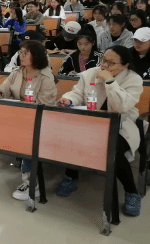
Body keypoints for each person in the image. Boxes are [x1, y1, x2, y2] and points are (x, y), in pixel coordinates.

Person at [57, 46, 143, 216]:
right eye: (104, 60)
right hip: (92, 121)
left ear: (124, 65)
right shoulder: (91, 73)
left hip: (121, 124)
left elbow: (121, 107)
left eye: (111, 63)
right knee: (71, 137)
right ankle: (71, 176)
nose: (104, 66)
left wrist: (110, 81)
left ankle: (132, 192)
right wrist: (68, 99)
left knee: (113, 148)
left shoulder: (134, 80)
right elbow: (78, 93)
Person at [0, 40, 57, 201]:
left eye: (26, 53)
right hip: (18, 116)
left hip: (40, 121)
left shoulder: (46, 77)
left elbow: (45, 106)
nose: (21, 56)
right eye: (20, 52)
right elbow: (4, 87)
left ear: (36, 56)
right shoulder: (17, 72)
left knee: (27, 137)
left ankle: (32, 183)